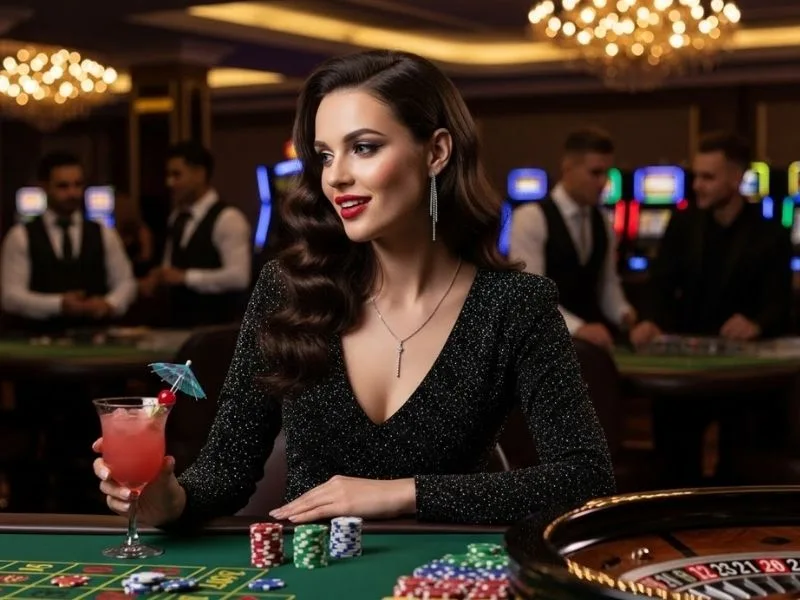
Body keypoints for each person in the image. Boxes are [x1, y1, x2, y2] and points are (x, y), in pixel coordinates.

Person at [93, 49, 615, 527]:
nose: (335, 177)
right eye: (324, 155)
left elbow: (585, 478)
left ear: (436, 152)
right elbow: (225, 476)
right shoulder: (288, 290)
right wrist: (170, 500)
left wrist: (403, 493)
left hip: (441, 578)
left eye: (363, 148)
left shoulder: (515, 304)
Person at [630, 131, 793, 487]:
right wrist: (649, 320)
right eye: (696, 176)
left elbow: (782, 302)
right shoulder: (683, 224)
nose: (698, 186)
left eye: (708, 177)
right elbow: (659, 283)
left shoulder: (771, 234)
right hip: (686, 366)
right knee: (675, 464)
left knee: (741, 468)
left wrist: (756, 322)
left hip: (743, 374)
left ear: (736, 178)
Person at [509, 128, 635, 350]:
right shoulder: (531, 218)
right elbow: (530, 300)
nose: (603, 182)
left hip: (590, 349)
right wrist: (579, 329)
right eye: (595, 173)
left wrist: (624, 314)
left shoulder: (602, 221)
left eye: (607, 173)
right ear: (568, 168)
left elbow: (607, 284)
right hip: (543, 350)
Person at [0, 152, 137, 333]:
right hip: (37, 339)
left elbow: (126, 283)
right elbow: (11, 297)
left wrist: (109, 304)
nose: (73, 193)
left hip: (95, 338)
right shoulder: (20, 236)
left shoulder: (104, 233)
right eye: (63, 186)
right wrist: (59, 304)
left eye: (78, 185)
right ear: (44, 187)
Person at [141, 141, 252, 327]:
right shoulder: (177, 217)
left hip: (216, 329)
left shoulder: (228, 218)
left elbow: (239, 277)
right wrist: (158, 277)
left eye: (177, 175)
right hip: (178, 327)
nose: (170, 183)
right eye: (168, 175)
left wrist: (186, 277)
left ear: (199, 174)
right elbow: (171, 268)